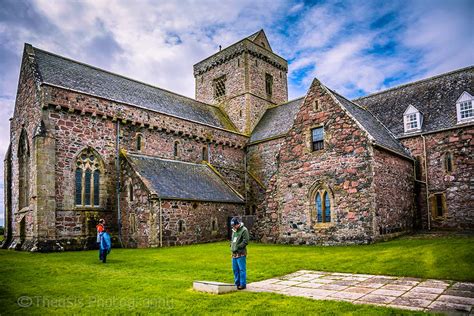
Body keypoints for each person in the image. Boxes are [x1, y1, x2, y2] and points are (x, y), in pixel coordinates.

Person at [230, 217, 249, 290]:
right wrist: (231, 246)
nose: (233, 227)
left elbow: (246, 241)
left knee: (241, 269)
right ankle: (236, 283)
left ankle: (242, 284)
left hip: (241, 253)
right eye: (232, 226)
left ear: (238, 224)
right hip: (234, 253)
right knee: (235, 269)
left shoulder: (244, 230)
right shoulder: (234, 230)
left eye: (234, 225)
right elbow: (233, 240)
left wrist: (238, 247)